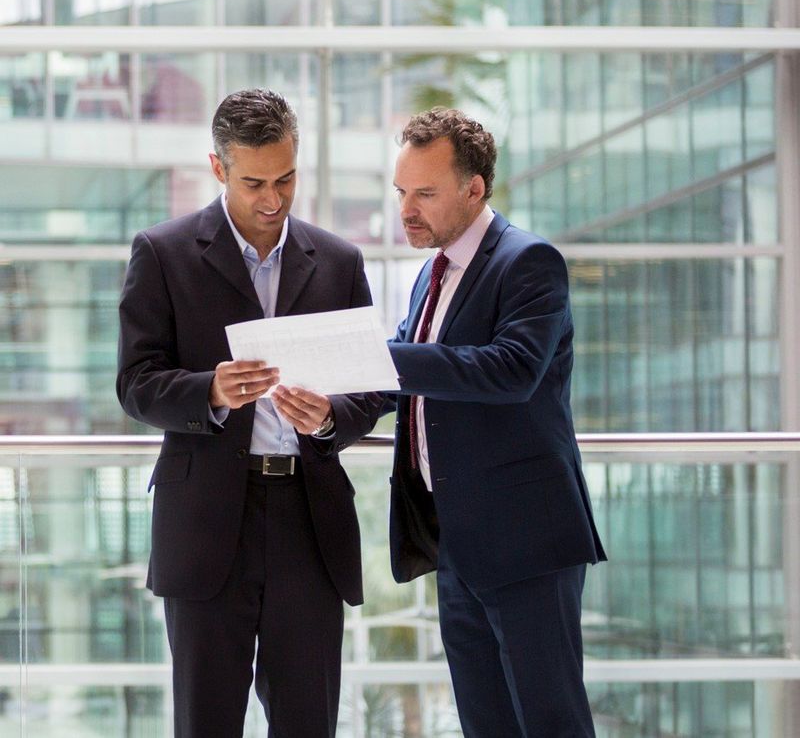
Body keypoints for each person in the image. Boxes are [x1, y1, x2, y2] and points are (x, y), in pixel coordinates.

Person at [117, 88, 382, 738]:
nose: (273, 198)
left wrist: (326, 416)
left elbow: (374, 390)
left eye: (287, 178)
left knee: (307, 722)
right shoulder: (163, 253)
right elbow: (135, 383)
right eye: (255, 181)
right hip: (206, 523)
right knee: (206, 723)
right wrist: (211, 390)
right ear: (218, 168)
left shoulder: (340, 261)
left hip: (307, 524)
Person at [384, 107, 606, 738]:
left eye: (425, 193)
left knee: (551, 723)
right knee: (486, 725)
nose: (407, 210)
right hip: (456, 542)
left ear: (474, 188)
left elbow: (510, 370)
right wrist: (330, 400)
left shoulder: (529, 262)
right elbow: (405, 380)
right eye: (402, 192)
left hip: (528, 542)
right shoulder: (431, 274)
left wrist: (378, 359)